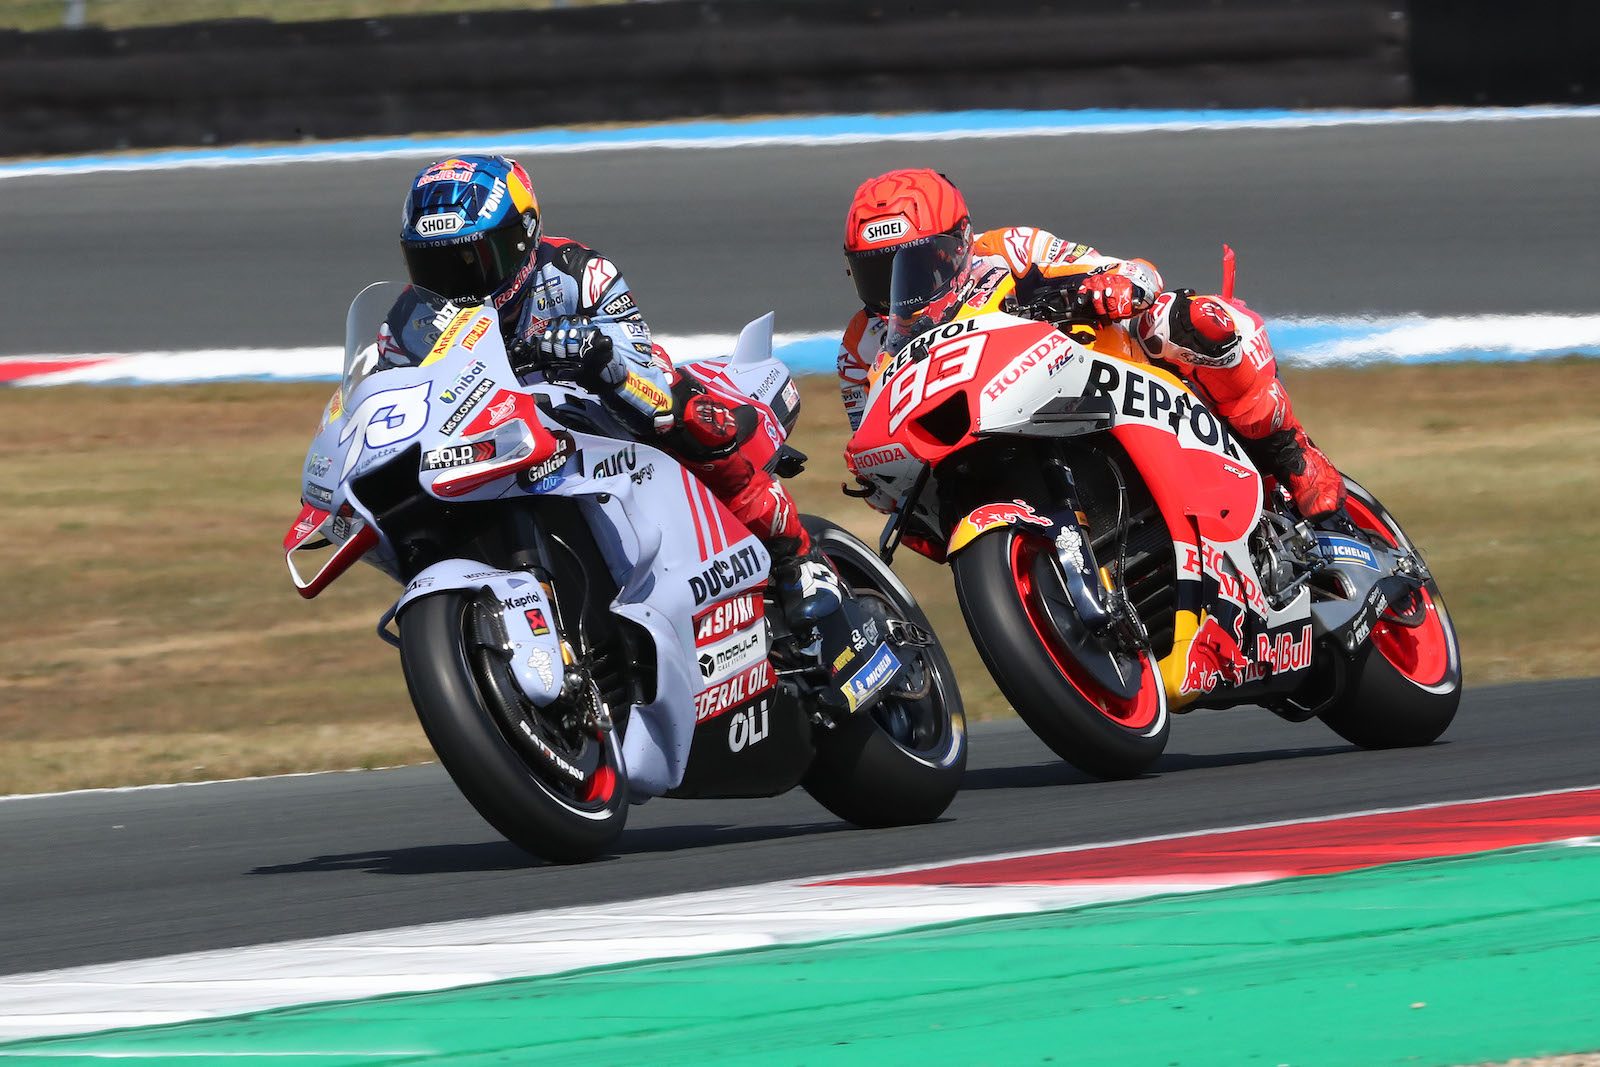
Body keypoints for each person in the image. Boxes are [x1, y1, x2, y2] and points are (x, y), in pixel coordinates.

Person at [398, 154, 839, 626]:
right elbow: (392, 397)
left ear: (523, 237)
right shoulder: (407, 322)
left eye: (473, 260)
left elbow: (642, 363)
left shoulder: (579, 273)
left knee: (686, 415)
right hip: (497, 437)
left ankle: (797, 556)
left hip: (599, 410)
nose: (457, 283)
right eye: (435, 267)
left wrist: (598, 357)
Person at [836, 168, 1346, 521]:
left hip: (1103, 388)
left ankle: (1292, 454)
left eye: (915, 267)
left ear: (959, 245)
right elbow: (875, 445)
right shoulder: (860, 349)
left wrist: (1110, 286)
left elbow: (1135, 274)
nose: (900, 292)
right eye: (878, 276)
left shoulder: (1009, 250)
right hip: (982, 446)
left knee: (1187, 321)